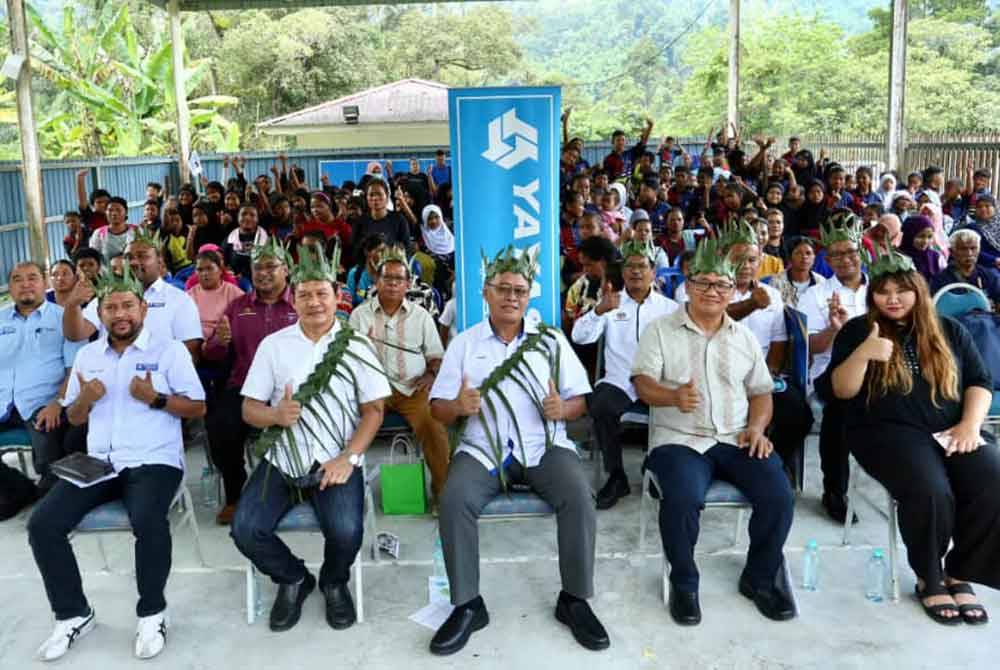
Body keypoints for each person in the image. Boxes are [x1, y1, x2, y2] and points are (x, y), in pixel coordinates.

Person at [428, 246, 608, 655]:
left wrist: (564, 408)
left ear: (529, 297)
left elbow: (581, 397)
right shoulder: (464, 344)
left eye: (520, 290)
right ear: (486, 294)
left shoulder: (551, 340)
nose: (512, 297)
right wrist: (458, 407)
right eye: (503, 289)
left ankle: (574, 600)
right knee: (454, 499)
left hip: (543, 446)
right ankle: (467, 605)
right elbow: (437, 409)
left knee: (579, 496)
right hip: (481, 450)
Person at [28, 265, 206, 661]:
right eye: (111, 307)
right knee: (42, 524)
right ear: (100, 314)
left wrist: (155, 398)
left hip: (154, 460)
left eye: (128, 305)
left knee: (148, 520)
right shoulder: (89, 355)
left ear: (143, 309)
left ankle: (152, 612)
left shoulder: (169, 351)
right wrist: (85, 400)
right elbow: (73, 418)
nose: (120, 313)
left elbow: (198, 406)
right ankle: (73, 613)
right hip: (99, 463)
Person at [817, 249, 1000, 625]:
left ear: (918, 290)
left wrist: (969, 425)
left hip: (950, 428)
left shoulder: (949, 330)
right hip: (885, 432)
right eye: (883, 291)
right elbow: (841, 390)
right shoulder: (859, 329)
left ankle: (960, 570)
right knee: (931, 489)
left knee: (992, 477)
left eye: (902, 290)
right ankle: (928, 576)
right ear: (873, 296)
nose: (893, 299)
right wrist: (864, 354)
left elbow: (979, 382)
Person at [631, 239, 795, 626]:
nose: (712, 292)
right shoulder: (661, 330)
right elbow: (642, 384)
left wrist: (757, 428)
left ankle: (759, 577)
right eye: (702, 283)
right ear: (687, 286)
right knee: (683, 498)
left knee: (779, 494)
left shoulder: (743, 337)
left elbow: (761, 392)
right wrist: (672, 395)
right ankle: (684, 582)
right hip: (679, 440)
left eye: (721, 285)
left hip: (736, 438)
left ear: (731, 291)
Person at [231, 246, 390, 633]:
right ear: (294, 298)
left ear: (337, 296)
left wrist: (347, 459)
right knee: (245, 530)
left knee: (346, 531)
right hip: (282, 459)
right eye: (305, 294)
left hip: (334, 460)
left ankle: (334, 582)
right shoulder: (274, 345)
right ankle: (293, 579)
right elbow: (249, 409)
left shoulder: (356, 345)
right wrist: (275, 415)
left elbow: (375, 411)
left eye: (322, 293)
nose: (314, 302)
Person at [571, 240, 678, 509]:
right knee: (601, 404)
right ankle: (616, 476)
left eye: (642, 266)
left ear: (653, 271)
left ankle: (657, 467)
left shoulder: (669, 309)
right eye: (630, 266)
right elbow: (580, 337)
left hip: (656, 382)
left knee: (681, 407)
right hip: (620, 381)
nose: (636, 272)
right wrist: (599, 310)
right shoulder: (612, 303)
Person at [201, 239, 298, 524]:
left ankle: (296, 491)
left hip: (292, 388)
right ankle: (234, 495)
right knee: (220, 428)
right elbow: (212, 352)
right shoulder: (237, 306)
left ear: (286, 270)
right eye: (257, 267)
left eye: (271, 266)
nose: (263, 273)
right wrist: (219, 340)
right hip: (246, 385)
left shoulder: (299, 303)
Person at [349, 247, 450, 503]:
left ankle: (443, 494)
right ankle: (347, 496)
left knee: (433, 425)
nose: (393, 284)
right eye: (387, 278)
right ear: (377, 281)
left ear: (408, 284)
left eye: (399, 279)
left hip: (411, 389)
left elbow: (436, 357)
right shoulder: (360, 316)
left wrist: (430, 375)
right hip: (371, 392)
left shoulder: (421, 316)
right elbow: (349, 359)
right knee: (344, 425)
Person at [800, 217, 869, 523]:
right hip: (832, 371)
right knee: (841, 405)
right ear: (827, 260)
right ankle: (835, 490)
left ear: (862, 252)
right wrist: (832, 328)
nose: (845, 260)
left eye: (850, 252)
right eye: (837, 255)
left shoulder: (882, 288)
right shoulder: (815, 295)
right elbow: (811, 347)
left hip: (879, 370)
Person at [1, 262, 87, 492]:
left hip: (42, 404)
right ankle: (19, 490)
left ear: (45, 283)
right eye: (17, 279)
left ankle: (45, 495)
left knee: (48, 462)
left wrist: (57, 403)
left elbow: (76, 371)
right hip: (2, 403)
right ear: (9, 287)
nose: (25, 284)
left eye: (32, 278)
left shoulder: (66, 318)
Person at [64, 230, 203, 362]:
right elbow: (76, 334)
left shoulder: (179, 299)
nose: (134, 262)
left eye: (142, 256)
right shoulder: (106, 296)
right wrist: (72, 305)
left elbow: (190, 350)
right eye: (128, 257)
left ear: (160, 262)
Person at [931, 229, 1000, 304]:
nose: (969, 253)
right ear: (952, 251)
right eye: (963, 249)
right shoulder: (940, 280)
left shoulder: (989, 276)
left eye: (973, 248)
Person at [765, 237, 825, 308]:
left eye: (808, 253)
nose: (804, 257)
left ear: (814, 257)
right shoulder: (776, 282)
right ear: (790, 257)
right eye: (798, 253)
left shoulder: (821, 282)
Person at [353, 180, 411, 250]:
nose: (375, 198)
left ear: (387, 197)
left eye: (379, 194)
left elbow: (407, 248)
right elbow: (355, 249)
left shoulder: (399, 219)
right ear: (366, 198)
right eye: (371, 195)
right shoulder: (360, 221)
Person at [88, 196, 135, 260]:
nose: (114, 213)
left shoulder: (136, 230)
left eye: (118, 210)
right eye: (110, 210)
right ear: (105, 213)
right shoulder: (98, 233)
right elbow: (93, 256)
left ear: (126, 212)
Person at [899, 214, 943, 283]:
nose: (925, 241)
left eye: (930, 237)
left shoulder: (935, 257)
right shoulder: (898, 257)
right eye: (921, 236)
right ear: (909, 235)